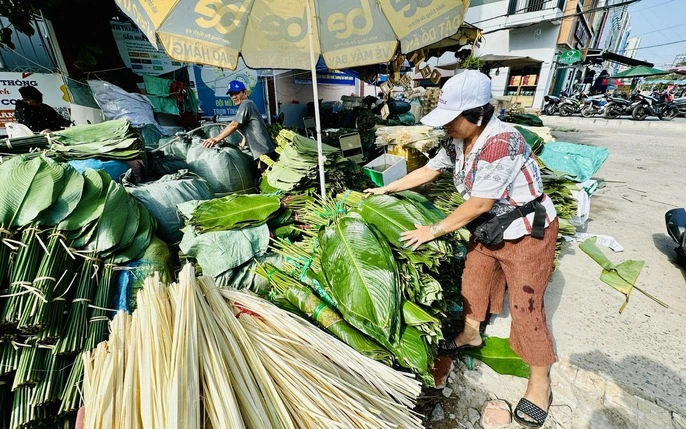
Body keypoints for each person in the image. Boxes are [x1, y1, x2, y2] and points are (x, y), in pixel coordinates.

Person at [364, 70, 559, 428]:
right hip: (490, 231)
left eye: (451, 120)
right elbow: (429, 171)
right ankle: (470, 335)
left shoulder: (502, 143)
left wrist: (433, 230)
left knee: (526, 306)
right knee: (474, 281)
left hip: (526, 231)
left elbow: (480, 204)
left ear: (477, 114)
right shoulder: (458, 141)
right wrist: (384, 191)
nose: (446, 128)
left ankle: (540, 383)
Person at [202, 80, 277, 173]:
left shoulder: (246, 103)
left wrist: (216, 139)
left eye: (236, 93)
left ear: (245, 93)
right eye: (231, 94)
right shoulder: (248, 105)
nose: (234, 97)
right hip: (263, 153)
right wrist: (242, 143)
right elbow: (249, 128)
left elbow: (234, 124)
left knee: (268, 183)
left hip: (264, 154)